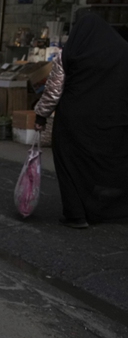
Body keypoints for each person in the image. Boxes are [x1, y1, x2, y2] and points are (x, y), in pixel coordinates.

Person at [33, 13, 128, 228]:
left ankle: (76, 215)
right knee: (107, 165)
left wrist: (41, 115)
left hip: (74, 121)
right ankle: (109, 210)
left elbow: (53, 91)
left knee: (70, 165)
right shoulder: (123, 52)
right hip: (114, 119)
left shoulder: (71, 54)